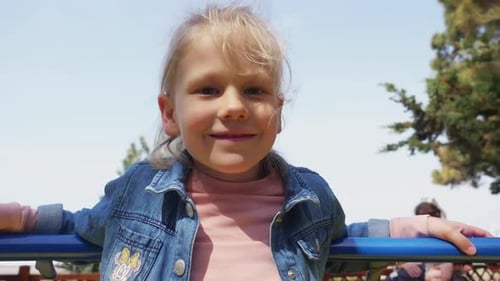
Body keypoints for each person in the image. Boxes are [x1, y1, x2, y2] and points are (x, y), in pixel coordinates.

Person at [0, 4, 492, 281]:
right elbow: (80, 225)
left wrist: (419, 227)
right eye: (209, 89)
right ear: (170, 114)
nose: (233, 106)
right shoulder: (138, 193)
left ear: (277, 114)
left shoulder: (309, 198)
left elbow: (347, 240)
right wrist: (16, 217)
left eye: (254, 90)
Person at [387, 200, 464, 281]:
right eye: (421, 216)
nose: (426, 218)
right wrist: (403, 263)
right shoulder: (411, 236)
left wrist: (449, 263)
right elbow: (395, 256)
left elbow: (463, 258)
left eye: (431, 215)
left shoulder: (448, 235)